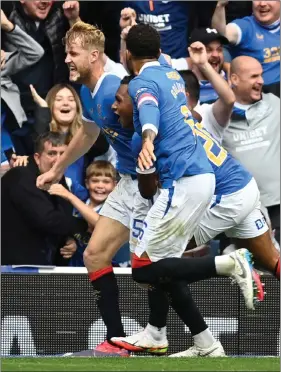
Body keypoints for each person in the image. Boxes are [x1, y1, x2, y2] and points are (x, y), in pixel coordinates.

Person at [111, 23, 264, 353]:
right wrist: (127, 35)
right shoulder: (168, 70)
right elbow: (146, 58)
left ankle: (229, 264)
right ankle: (198, 342)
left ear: (128, 56)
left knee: (144, 269)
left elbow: (148, 106)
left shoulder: (142, 83)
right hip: (198, 178)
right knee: (164, 265)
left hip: (184, 180)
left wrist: (148, 137)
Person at [36, 21, 138, 357]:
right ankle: (117, 340)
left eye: (72, 52)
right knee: (94, 255)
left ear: (94, 55)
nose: (66, 58)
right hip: (129, 182)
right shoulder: (86, 90)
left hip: (152, 181)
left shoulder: (114, 89)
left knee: (153, 264)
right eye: (66, 51)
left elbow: (153, 130)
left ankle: (187, 336)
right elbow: (89, 134)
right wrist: (57, 168)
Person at [1, 132, 87, 266]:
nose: (58, 160)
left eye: (63, 154)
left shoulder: (59, 181)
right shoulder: (20, 175)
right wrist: (82, 227)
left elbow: (60, 219)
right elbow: (47, 219)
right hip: (13, 267)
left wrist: (69, 240)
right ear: (37, 158)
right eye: (52, 153)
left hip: (42, 266)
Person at [221, 55, 280, 248]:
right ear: (235, 79)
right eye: (254, 76)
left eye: (261, 75)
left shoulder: (275, 103)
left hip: (277, 204)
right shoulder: (219, 114)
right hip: (241, 208)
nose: (261, 81)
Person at [48, 160, 117, 267]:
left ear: (115, 185)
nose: (100, 186)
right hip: (74, 269)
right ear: (87, 183)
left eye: (106, 182)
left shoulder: (115, 208)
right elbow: (56, 176)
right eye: (95, 181)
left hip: (103, 271)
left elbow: (101, 225)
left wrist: (70, 197)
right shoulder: (81, 194)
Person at [212, 0, 280, 97]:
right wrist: (220, 6)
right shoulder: (245, 26)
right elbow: (220, 36)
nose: (262, 4)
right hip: (259, 96)